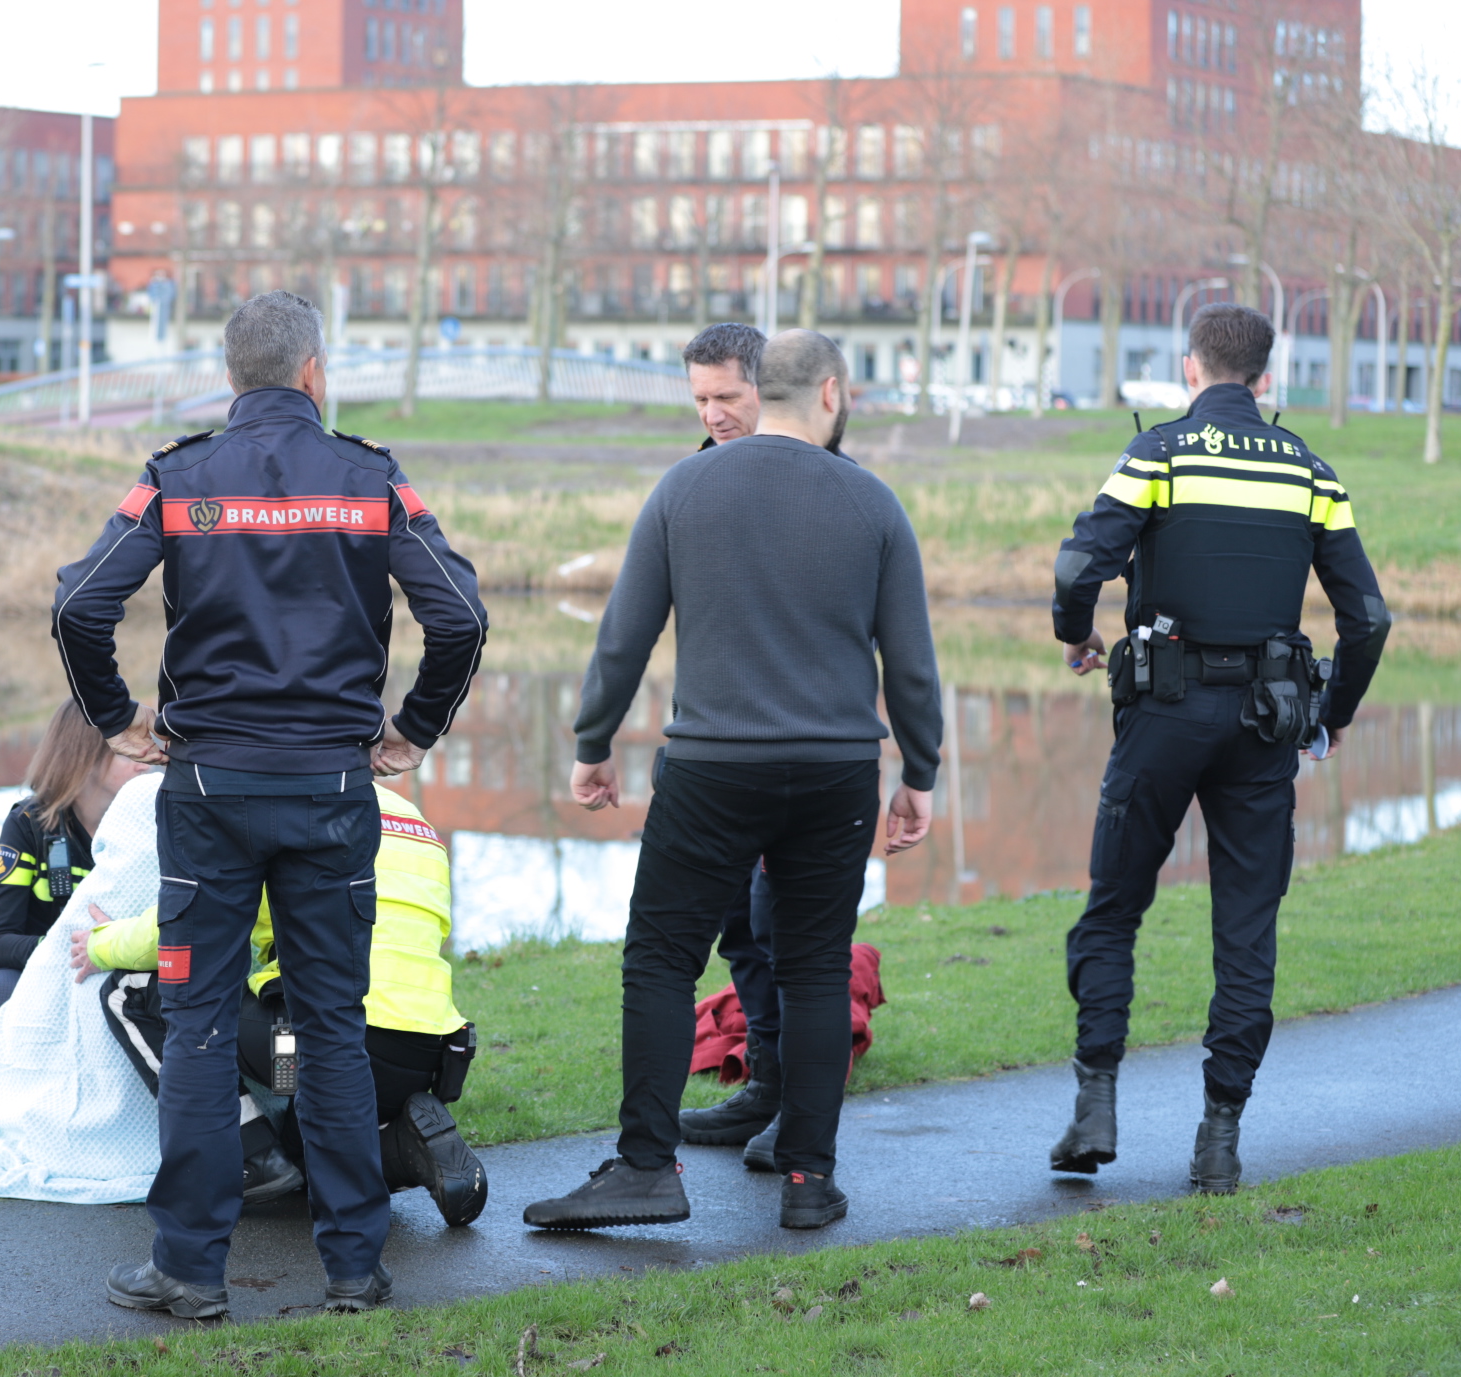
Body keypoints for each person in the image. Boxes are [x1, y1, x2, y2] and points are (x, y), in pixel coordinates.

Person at [52, 289, 487, 1319]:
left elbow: (80, 602)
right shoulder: (370, 481)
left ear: (235, 377)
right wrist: (414, 729)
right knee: (330, 1024)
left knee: (198, 1020)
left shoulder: (181, 478)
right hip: (334, 790)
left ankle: (190, 1271)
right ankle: (353, 1267)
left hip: (207, 789)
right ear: (314, 372)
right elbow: (459, 614)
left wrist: (118, 718)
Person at [526, 328, 940, 1233]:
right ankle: (808, 1182)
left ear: (766, 390)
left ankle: (645, 1170)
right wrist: (922, 773)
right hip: (837, 769)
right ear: (832, 393)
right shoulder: (874, 502)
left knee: (663, 958)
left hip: (715, 764)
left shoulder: (684, 488)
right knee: (818, 965)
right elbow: (910, 664)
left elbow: (623, 638)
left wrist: (593, 741)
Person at [1052, 303, 1387, 1192]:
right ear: (1266, 378)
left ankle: (1095, 1107)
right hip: (1267, 726)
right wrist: (1335, 710)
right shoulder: (1311, 471)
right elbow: (1369, 615)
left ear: (1190, 368)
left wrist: (1074, 634)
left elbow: (1077, 565)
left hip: (1163, 714)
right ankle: (1219, 1141)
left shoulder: (1158, 452)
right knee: (1245, 929)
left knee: (1114, 908)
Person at [77, 781, 488, 1225]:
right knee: (309, 1165)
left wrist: (102, 944)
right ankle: (412, 1148)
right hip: (422, 1053)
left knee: (132, 991)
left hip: (307, 1043)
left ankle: (250, 1157)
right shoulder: (413, 818)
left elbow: (192, 920)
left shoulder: (271, 807)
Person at [666, 322, 788, 1159]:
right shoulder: (694, 479)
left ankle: (801, 1117)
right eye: (700, 398)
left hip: (799, 741)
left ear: (767, 390)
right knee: (736, 925)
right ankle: (766, 1089)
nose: (712, 412)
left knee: (787, 927)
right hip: (713, 739)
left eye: (727, 397)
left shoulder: (817, 479)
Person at [0, 700, 153, 1040]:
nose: (146, 765)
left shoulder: (155, 824)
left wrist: (114, 950)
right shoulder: (28, 825)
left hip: (124, 967)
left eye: (146, 751)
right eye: (128, 754)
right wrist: (80, 950)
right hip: (41, 972)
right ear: (86, 757)